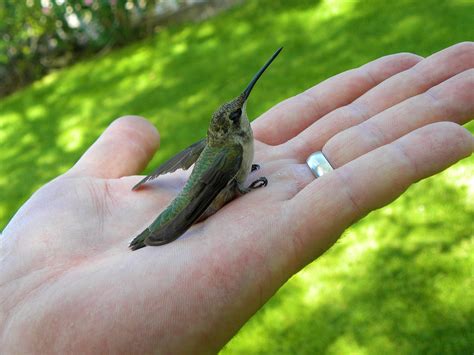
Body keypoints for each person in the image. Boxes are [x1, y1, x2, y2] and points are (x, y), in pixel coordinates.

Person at [1, 42, 472, 353]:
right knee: (188, 204)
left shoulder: (231, 142)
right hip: (196, 202)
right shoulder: (226, 152)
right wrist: (238, 188)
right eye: (235, 113)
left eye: (238, 108)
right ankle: (153, 233)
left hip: (213, 182)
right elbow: (207, 190)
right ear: (228, 128)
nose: (242, 108)